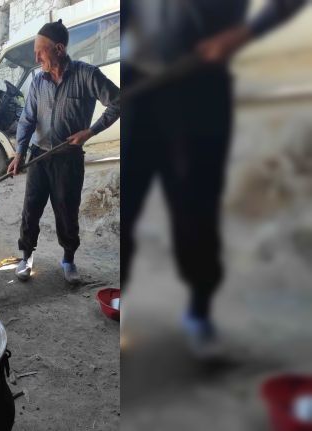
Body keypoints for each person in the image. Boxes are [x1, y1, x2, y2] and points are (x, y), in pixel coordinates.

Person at [121, 0, 307, 356]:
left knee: (195, 209)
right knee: (127, 206)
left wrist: (244, 32)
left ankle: (199, 313)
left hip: (198, 89)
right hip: (137, 90)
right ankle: (122, 303)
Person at [7, 19, 120, 284]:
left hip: (68, 159)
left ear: (59, 49)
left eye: (40, 51)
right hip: (39, 156)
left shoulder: (87, 75)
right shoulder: (37, 82)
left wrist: (90, 131)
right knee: (31, 209)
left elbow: (118, 102)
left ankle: (68, 260)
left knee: (67, 210)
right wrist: (19, 153)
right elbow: (27, 120)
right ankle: (26, 257)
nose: (36, 58)